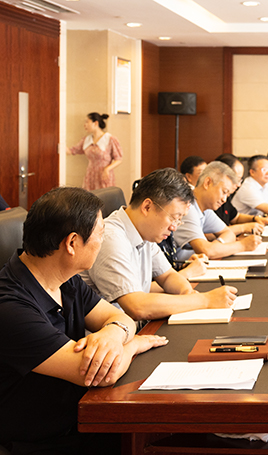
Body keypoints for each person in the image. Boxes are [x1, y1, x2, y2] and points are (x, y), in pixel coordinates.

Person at [0, 187, 166, 453]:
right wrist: (134, 344)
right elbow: (100, 374)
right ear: (72, 243)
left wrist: (112, 333)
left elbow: (120, 317)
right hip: (39, 443)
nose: (103, 240)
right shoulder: (10, 307)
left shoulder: (65, 279)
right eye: (100, 233)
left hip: (82, 420)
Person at [81, 168, 237, 322]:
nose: (174, 227)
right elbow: (137, 306)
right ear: (147, 207)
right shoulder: (111, 238)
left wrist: (186, 293)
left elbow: (168, 276)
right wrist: (205, 300)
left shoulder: (145, 233)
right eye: (174, 218)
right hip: (113, 333)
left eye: (179, 220)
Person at [172, 162, 263, 262]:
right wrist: (242, 245)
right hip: (179, 267)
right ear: (207, 183)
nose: (224, 199)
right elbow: (207, 251)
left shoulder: (205, 208)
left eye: (227, 195)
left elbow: (229, 233)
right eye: (224, 192)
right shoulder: (188, 207)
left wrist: (216, 247)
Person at [212, 154, 268, 228]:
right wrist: (243, 228)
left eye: (240, 180)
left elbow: (236, 217)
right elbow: (214, 232)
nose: (239, 185)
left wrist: (255, 219)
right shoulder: (211, 200)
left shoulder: (225, 197)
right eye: (237, 179)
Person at [68, 112, 122, 191]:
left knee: (104, 196)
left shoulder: (109, 139)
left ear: (95, 123)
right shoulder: (87, 140)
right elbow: (72, 150)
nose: (85, 125)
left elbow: (119, 159)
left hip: (104, 175)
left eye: (87, 122)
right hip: (90, 175)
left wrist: (107, 169)